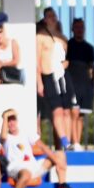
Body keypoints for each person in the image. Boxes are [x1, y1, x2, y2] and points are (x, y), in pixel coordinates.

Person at [0, 108, 80, 188]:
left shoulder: (26, 133)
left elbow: (43, 147)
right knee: (26, 174)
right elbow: (3, 136)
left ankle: (62, 187)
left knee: (60, 154)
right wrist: (5, 116)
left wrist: (57, 161)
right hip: (16, 167)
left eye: (13, 119)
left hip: (33, 166)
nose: (11, 123)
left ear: (17, 120)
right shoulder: (5, 137)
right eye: (8, 120)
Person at [36, 20, 73, 150]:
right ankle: (64, 141)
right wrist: (39, 82)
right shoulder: (40, 37)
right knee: (56, 111)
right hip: (48, 76)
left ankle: (68, 143)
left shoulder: (63, 38)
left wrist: (64, 64)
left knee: (67, 111)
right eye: (49, 16)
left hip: (62, 76)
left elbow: (68, 59)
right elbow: (37, 61)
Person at [65, 17, 94, 149]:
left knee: (81, 115)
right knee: (74, 113)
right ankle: (74, 142)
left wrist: (92, 85)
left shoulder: (89, 48)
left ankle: (78, 142)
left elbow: (92, 68)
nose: (79, 30)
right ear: (72, 29)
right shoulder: (68, 45)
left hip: (85, 85)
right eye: (77, 27)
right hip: (71, 83)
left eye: (81, 27)